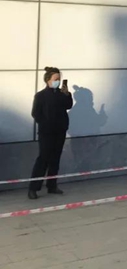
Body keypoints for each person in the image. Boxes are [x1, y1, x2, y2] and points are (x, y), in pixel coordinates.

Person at [28, 67, 74, 200]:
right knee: (43, 159)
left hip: (60, 131)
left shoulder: (62, 94)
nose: (57, 81)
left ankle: (52, 185)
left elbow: (68, 105)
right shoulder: (41, 95)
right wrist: (45, 123)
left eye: (59, 79)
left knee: (55, 159)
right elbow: (35, 113)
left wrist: (67, 94)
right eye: (55, 79)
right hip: (46, 132)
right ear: (48, 80)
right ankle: (33, 188)